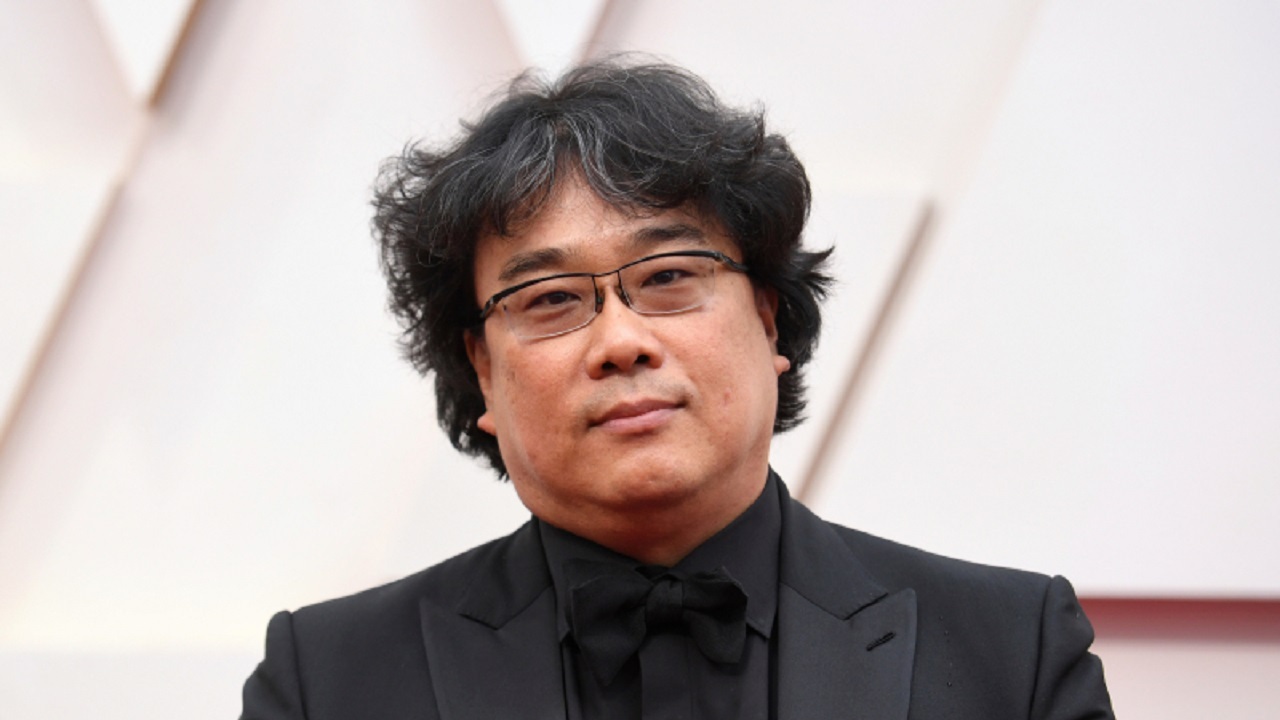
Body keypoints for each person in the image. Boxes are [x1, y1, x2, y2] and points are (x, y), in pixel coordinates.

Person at [240, 59, 1114, 719]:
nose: (621, 342)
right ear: (482, 373)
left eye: (667, 277)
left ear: (768, 319)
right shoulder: (328, 681)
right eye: (550, 299)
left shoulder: (1013, 650)